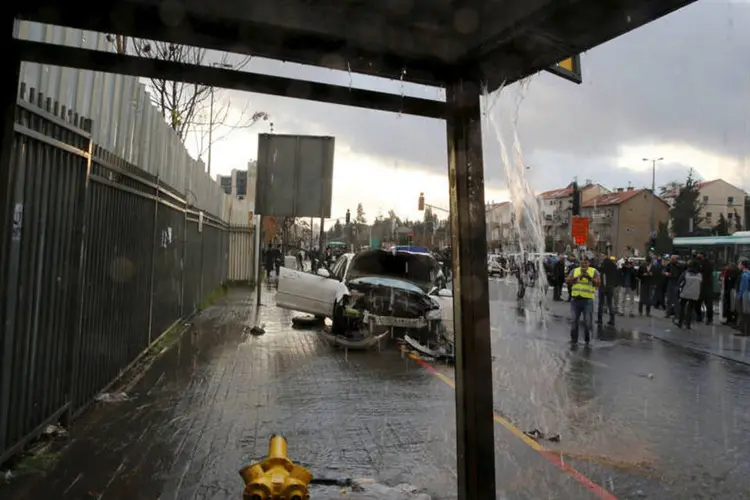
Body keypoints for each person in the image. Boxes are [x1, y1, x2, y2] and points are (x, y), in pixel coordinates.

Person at [566, 256, 601, 346]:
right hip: (575, 299)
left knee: (587, 321)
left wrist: (589, 278)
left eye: (585, 262)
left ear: (589, 263)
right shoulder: (575, 271)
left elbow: (598, 283)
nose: (584, 264)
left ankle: (587, 340)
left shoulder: (594, 271)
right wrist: (577, 278)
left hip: (587, 300)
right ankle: (574, 340)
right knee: (574, 320)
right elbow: (567, 280)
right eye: (582, 262)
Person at [676, 260, 702, 329]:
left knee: (682, 307)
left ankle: (680, 322)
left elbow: (679, 282)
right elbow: (701, 284)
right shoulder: (699, 275)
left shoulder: (686, 273)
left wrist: (679, 290)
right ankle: (688, 324)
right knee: (690, 309)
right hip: (694, 294)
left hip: (685, 293)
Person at [597, 254, 618, 326]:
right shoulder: (613, 265)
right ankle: (612, 320)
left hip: (604, 285)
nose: (601, 257)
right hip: (611, 286)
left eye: (602, 256)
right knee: (610, 303)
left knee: (601, 303)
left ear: (605, 256)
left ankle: (600, 319)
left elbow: (599, 270)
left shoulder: (604, 264)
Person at [694, 252, 714, 325]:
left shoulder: (701, 263)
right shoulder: (710, 263)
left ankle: (700, 317)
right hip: (708, 286)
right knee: (708, 303)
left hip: (702, 285)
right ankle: (709, 318)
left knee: (698, 302)